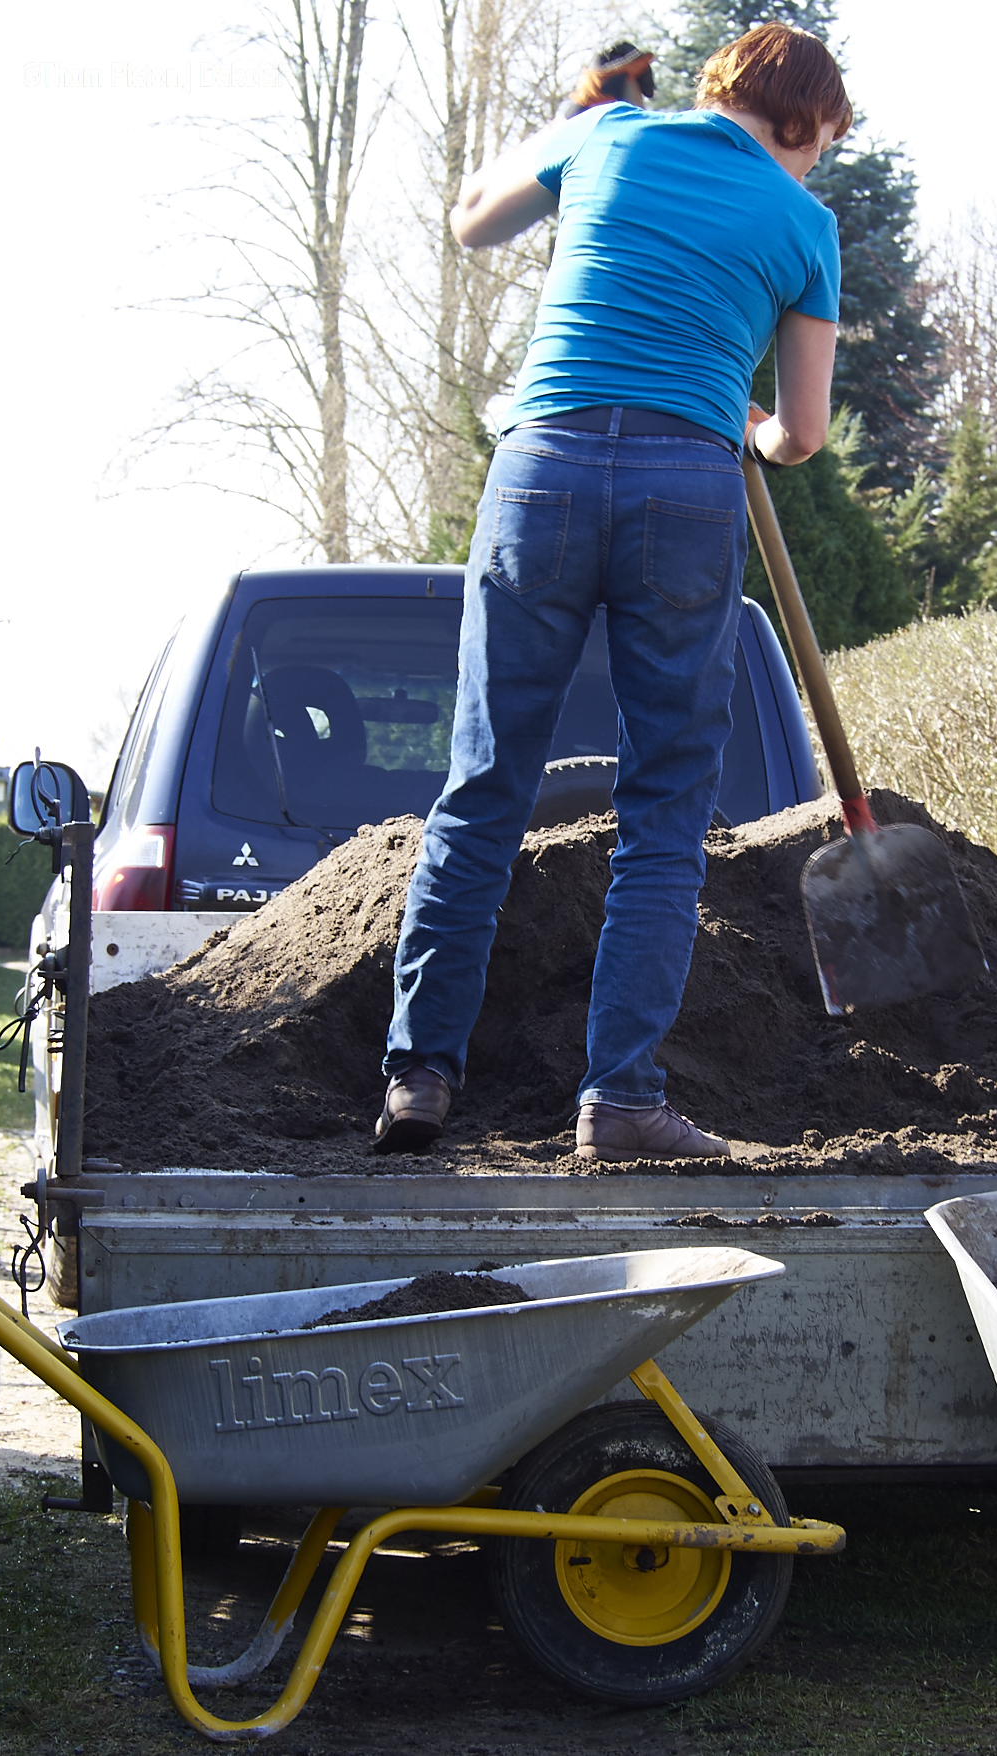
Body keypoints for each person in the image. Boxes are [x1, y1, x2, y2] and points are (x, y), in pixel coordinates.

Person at [374, 23, 849, 1158]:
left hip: (540, 469)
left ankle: (418, 1081)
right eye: (823, 142)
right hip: (686, 489)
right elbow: (804, 431)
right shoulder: (804, 224)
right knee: (665, 807)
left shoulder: (609, 135)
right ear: (800, 121)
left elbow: (472, 218)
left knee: (486, 780)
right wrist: (754, 431)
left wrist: (575, 116)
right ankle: (621, 1099)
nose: (819, 163)